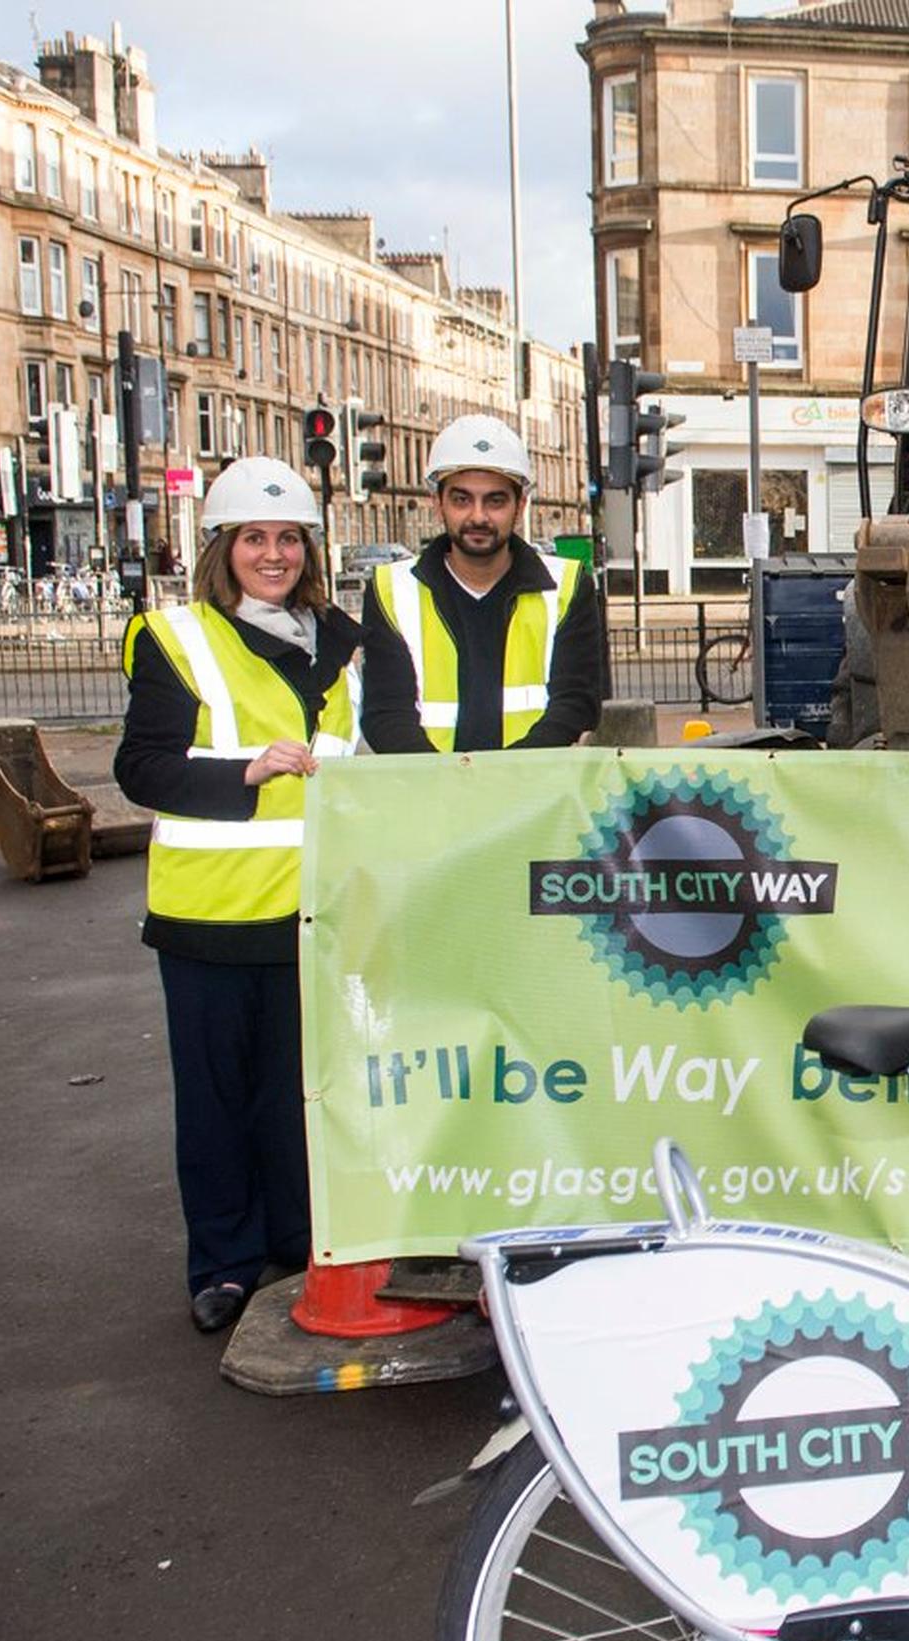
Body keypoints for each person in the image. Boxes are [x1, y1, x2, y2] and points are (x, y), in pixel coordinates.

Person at [113, 458, 363, 1333]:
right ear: (223, 548)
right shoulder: (175, 637)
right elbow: (140, 769)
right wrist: (244, 772)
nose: (273, 554)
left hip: (311, 915)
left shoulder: (340, 638)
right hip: (210, 916)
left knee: (298, 1096)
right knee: (216, 1104)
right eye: (254, 538)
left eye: (288, 537)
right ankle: (222, 1263)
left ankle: (296, 1244)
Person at [358, 413, 604, 752]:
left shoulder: (569, 586)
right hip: (431, 796)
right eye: (461, 499)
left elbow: (576, 704)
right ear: (437, 503)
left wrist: (503, 782)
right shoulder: (391, 590)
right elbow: (385, 713)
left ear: (520, 506)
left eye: (495, 500)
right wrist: (448, 785)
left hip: (534, 793)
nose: (478, 516)